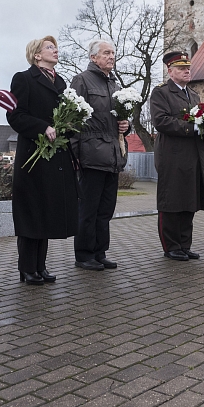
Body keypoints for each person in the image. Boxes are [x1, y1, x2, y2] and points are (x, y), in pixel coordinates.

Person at [6, 36, 78, 284]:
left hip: (56, 155)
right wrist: (42, 127)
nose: (55, 50)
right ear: (37, 55)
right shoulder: (23, 78)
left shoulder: (61, 81)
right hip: (33, 157)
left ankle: (40, 266)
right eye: (49, 47)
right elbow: (16, 116)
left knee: (47, 210)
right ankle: (27, 268)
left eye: (55, 47)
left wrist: (68, 126)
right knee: (32, 212)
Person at [70, 40, 130, 271]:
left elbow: (119, 118)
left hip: (113, 154)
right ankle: (84, 255)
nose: (111, 57)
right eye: (106, 53)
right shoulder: (82, 81)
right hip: (91, 154)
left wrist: (127, 125)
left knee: (105, 209)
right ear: (94, 57)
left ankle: (99, 252)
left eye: (113, 53)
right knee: (88, 209)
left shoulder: (115, 85)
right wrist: (77, 155)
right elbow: (73, 119)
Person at [150, 51, 204, 261]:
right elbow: (161, 121)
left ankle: (185, 244)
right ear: (170, 71)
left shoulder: (193, 95)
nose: (187, 71)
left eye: (188, 68)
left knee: (189, 200)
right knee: (172, 201)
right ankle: (171, 246)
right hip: (172, 154)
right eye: (181, 68)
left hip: (193, 154)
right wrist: (193, 127)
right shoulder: (161, 93)